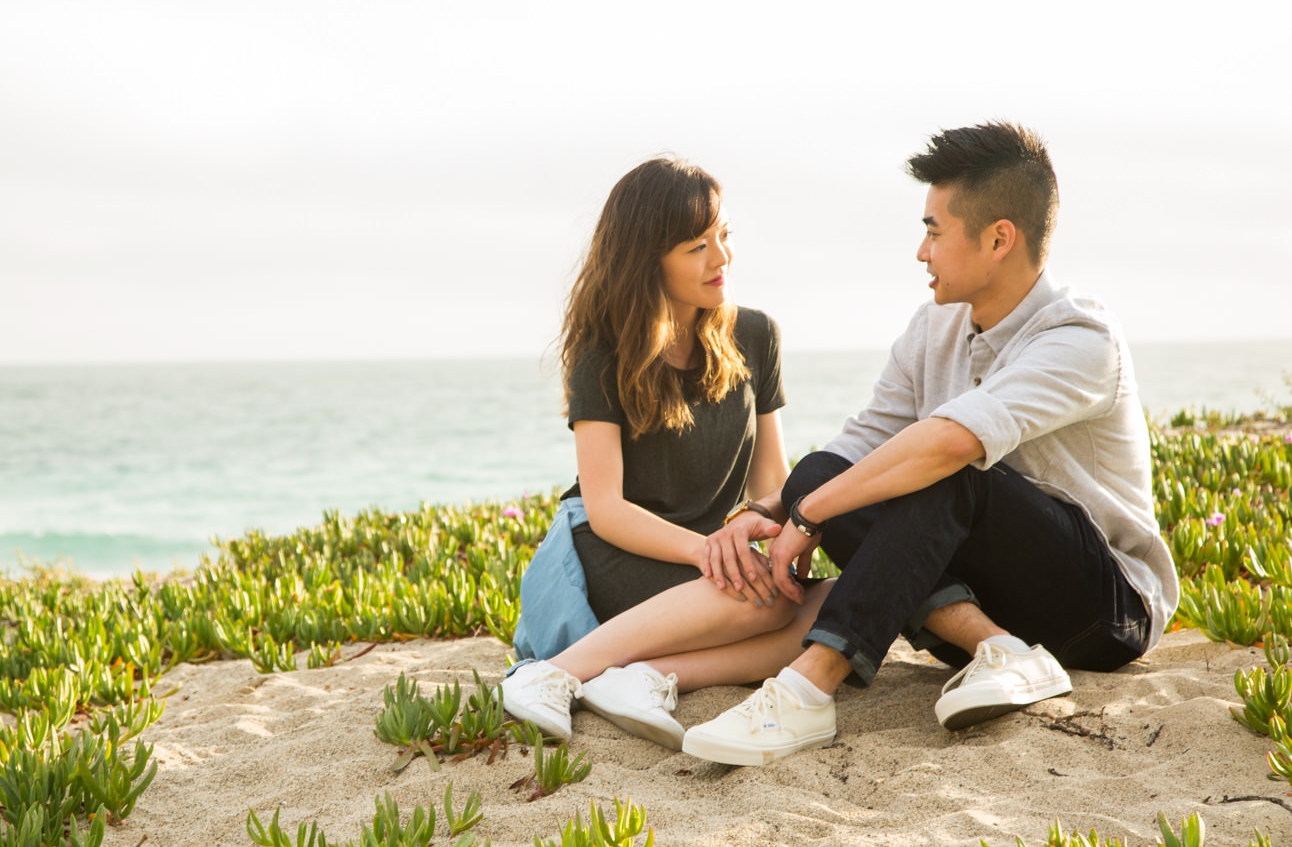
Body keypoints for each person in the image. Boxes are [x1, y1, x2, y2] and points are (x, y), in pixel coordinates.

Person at [680, 122, 1179, 766]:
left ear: (1000, 237)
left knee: (947, 466)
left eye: (934, 231)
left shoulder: (1081, 337)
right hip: (987, 602)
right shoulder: (933, 324)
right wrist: (776, 508)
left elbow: (947, 444)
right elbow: (866, 439)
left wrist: (813, 516)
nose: (921, 252)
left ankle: (809, 687)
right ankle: (999, 650)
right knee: (818, 473)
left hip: (1103, 607)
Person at [502, 157, 832, 749]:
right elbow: (605, 508)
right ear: (646, 258)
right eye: (696, 246)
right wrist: (711, 552)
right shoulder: (603, 353)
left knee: (830, 606)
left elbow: (772, 478)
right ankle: (551, 676)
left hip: (709, 559)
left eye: (724, 237)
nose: (721, 258)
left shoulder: (757, 335)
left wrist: (776, 538)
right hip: (619, 549)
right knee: (762, 605)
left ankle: (644, 675)